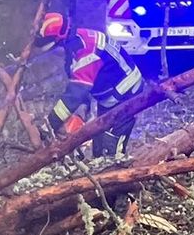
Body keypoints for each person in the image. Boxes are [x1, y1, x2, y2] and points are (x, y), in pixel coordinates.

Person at [35, 10, 145, 158]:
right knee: (98, 140)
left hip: (126, 91)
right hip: (109, 92)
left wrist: (50, 124)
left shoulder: (87, 51)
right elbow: (79, 85)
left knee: (112, 148)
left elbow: (76, 93)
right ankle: (100, 165)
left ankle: (118, 175)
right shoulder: (75, 41)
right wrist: (80, 116)